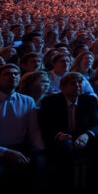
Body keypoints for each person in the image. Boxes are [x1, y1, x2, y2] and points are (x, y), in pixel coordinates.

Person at [39, 72, 98, 191]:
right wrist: (58, 135)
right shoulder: (50, 101)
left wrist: (87, 135)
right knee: (65, 147)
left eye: (79, 83)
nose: (77, 86)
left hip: (83, 137)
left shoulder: (88, 100)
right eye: (73, 83)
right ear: (62, 87)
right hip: (62, 139)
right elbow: (45, 125)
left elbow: (97, 123)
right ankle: (67, 187)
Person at [0, 64, 45, 194]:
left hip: (20, 147)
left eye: (16, 74)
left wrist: (41, 150)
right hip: (1, 149)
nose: (12, 76)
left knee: (39, 163)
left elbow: (34, 130)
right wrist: (6, 152)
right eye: (7, 74)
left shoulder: (27, 100)